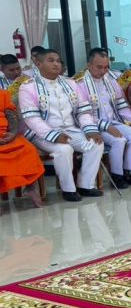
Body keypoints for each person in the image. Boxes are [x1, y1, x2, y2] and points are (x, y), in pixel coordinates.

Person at [19, 49, 104, 202]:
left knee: (95, 143)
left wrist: (90, 130)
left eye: (58, 61)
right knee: (64, 149)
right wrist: (54, 135)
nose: (56, 64)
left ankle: (85, 185)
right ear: (38, 63)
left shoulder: (71, 83)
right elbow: (32, 119)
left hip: (71, 130)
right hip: (41, 134)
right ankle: (68, 189)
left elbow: (83, 111)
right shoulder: (28, 87)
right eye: (51, 60)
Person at [77, 48, 131, 188]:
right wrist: (106, 126)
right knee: (119, 140)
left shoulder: (112, 82)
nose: (103, 71)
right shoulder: (79, 85)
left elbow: (122, 108)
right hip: (93, 127)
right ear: (89, 65)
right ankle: (117, 176)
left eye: (106, 67)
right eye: (99, 67)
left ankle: (129, 172)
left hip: (114, 122)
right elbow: (83, 115)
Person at [0, 85, 45, 207]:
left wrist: (12, 133)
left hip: (6, 136)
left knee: (28, 149)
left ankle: (31, 188)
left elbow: (11, 116)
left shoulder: (3, 94)